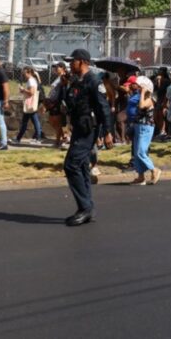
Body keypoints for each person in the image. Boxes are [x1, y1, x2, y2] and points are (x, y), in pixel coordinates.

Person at [61, 49, 113, 226]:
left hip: (88, 130)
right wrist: (66, 85)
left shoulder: (93, 81)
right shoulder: (77, 81)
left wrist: (107, 132)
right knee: (82, 166)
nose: (70, 64)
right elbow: (71, 103)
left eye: (72, 61)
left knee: (71, 165)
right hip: (78, 128)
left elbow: (103, 108)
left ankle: (85, 208)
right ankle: (87, 208)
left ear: (82, 61)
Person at [129, 77, 161, 185]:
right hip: (139, 126)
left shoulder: (149, 100)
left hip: (146, 127)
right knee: (136, 152)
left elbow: (142, 106)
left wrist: (142, 92)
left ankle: (154, 169)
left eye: (141, 87)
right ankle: (141, 176)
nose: (139, 88)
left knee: (141, 151)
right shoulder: (141, 98)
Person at [15, 67, 43, 144]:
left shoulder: (31, 81)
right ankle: (18, 138)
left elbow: (32, 92)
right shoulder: (32, 80)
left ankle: (38, 138)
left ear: (29, 73)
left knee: (31, 121)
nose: (24, 75)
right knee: (28, 121)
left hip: (30, 104)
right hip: (29, 104)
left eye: (25, 73)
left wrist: (23, 90)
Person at [46, 62, 70, 147]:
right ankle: (63, 138)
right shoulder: (59, 77)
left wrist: (60, 101)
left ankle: (61, 139)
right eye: (55, 67)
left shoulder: (63, 77)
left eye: (58, 67)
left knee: (60, 122)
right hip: (54, 102)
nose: (56, 69)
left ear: (63, 68)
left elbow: (63, 91)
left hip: (58, 102)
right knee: (54, 121)